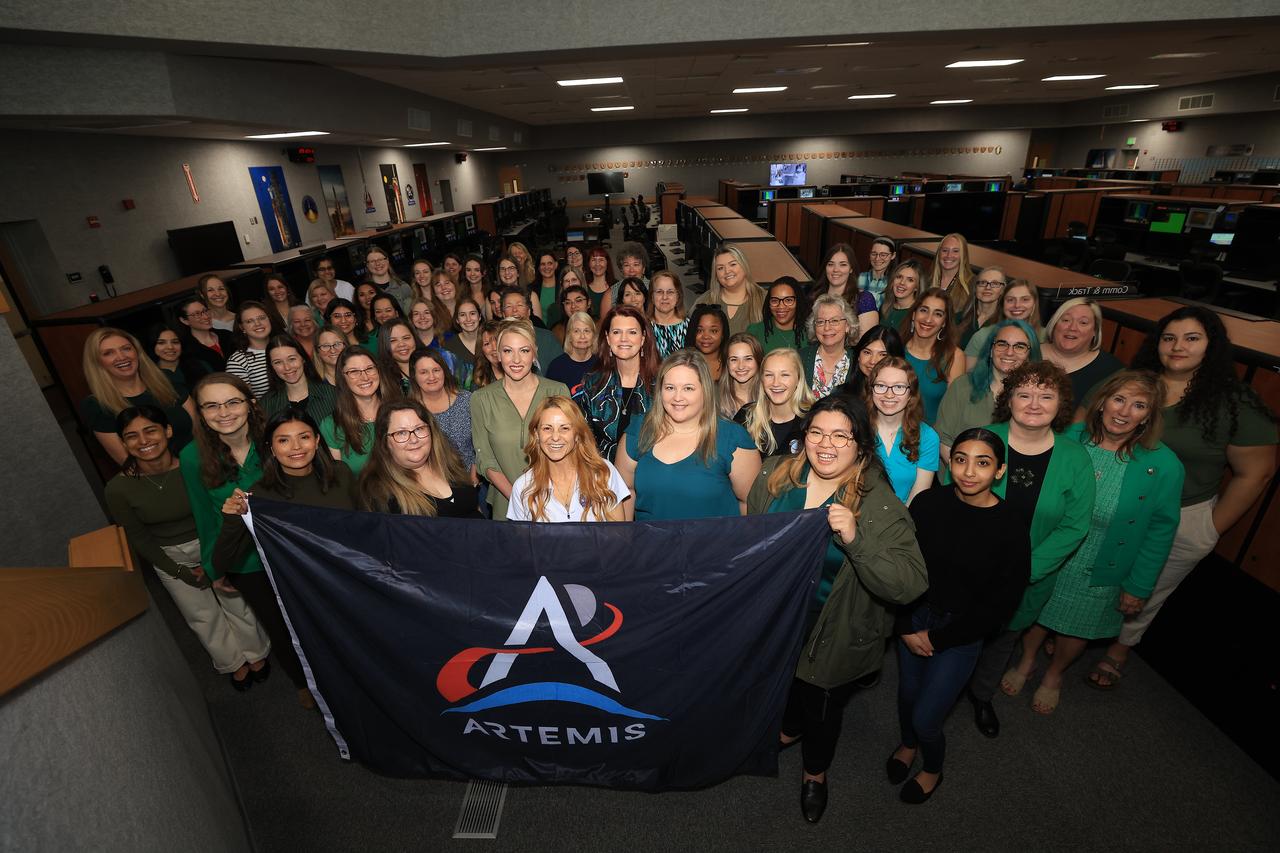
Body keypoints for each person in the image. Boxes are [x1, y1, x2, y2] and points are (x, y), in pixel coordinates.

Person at [746, 395, 927, 822]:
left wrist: (856, 540)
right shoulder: (776, 475)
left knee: (821, 707)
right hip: (777, 618)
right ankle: (788, 729)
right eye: (817, 432)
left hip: (836, 628)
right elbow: (750, 535)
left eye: (840, 435)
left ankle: (815, 774)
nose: (826, 444)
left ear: (861, 446)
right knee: (784, 684)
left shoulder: (878, 503)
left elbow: (909, 584)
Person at [1099, 306, 1278, 688]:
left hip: (1184, 515)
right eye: (1169, 338)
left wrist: (1209, 528)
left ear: (1211, 346)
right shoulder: (1135, 383)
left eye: (1191, 338)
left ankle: (1119, 651)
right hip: (1115, 503)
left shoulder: (1233, 403)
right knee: (1104, 574)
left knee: (1150, 589)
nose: (1178, 346)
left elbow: (1256, 472)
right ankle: (1078, 631)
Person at [1006, 371, 1183, 714]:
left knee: (1078, 623)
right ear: (1101, 402)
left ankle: (1054, 674)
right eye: (1118, 399)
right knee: (1037, 611)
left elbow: (1161, 531)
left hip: (1104, 559)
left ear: (1149, 415)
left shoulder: (1163, 465)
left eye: (1139, 405)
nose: (1125, 411)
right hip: (1052, 548)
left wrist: (1139, 585)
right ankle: (1026, 660)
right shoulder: (1065, 438)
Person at [890, 428, 1031, 803]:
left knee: (927, 716)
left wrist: (939, 639)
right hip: (915, 617)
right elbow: (905, 568)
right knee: (907, 696)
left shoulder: (1011, 524)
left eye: (983, 463)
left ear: (999, 471)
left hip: (960, 633)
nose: (969, 471)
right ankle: (907, 745)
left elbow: (1002, 602)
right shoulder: (927, 504)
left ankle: (932, 767)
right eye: (960, 459)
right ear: (950, 464)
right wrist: (904, 624)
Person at [962, 360, 1094, 739]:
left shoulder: (1074, 458)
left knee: (1003, 641)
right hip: (971, 569)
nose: (1034, 403)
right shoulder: (982, 439)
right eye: (1024, 393)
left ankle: (982, 696)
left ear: (1060, 404)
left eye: (1046, 395)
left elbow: (1074, 526)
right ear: (1010, 399)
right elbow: (953, 500)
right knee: (961, 634)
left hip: (1030, 577)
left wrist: (1024, 570)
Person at [105, 405, 270, 691]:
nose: (143, 441)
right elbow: (138, 537)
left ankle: (256, 654)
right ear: (123, 443)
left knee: (236, 601)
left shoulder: (196, 464)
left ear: (167, 431)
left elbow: (216, 511)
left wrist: (214, 560)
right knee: (202, 616)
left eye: (151, 430)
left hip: (214, 541)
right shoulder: (118, 489)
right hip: (169, 556)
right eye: (132, 436)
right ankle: (232, 663)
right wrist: (177, 570)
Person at [180, 374, 315, 707]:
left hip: (291, 552)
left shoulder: (276, 439)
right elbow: (205, 518)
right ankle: (303, 683)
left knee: (311, 617)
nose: (223, 412)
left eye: (232, 402)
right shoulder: (191, 457)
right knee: (278, 625)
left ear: (250, 403)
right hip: (246, 561)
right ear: (200, 412)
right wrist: (216, 568)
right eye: (211, 405)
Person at [213, 408, 357, 707]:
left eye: (304, 437)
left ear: (317, 440)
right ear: (271, 448)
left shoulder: (341, 474)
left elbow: (367, 525)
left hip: (348, 584)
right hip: (304, 596)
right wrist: (231, 519)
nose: (296, 448)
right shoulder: (259, 497)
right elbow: (223, 561)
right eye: (284, 440)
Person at [615, 349, 761, 519]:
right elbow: (624, 493)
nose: (678, 397)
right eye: (670, 387)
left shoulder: (732, 438)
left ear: (705, 391)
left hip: (714, 544)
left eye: (688, 388)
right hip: (651, 544)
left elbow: (749, 503)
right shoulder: (638, 432)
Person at [470, 319, 571, 519]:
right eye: (508, 351)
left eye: (524, 351)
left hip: (557, 501)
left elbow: (571, 447)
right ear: (498, 355)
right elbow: (485, 459)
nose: (516, 360)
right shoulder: (481, 399)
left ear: (534, 353)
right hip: (506, 504)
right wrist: (519, 500)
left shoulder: (557, 391)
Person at [81, 327, 197, 464]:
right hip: (163, 478)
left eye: (126, 348)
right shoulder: (98, 406)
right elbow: (129, 463)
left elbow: (200, 430)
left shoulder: (167, 380)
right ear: (97, 362)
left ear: (137, 352)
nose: (121, 357)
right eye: (108, 353)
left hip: (204, 464)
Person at [507, 396, 633, 522]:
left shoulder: (602, 472)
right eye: (547, 428)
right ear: (536, 434)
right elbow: (521, 541)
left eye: (564, 428)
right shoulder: (523, 487)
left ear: (577, 434)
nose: (555, 437)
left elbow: (618, 536)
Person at [936, 319, 1040, 459]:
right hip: (961, 474)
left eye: (1019, 346)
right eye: (1002, 344)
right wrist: (970, 473)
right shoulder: (963, 386)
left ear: (1030, 355)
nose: (1009, 352)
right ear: (991, 350)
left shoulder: (1038, 396)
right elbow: (944, 439)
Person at [357, 399, 480, 517]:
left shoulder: (451, 465)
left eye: (419, 429)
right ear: (384, 442)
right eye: (401, 433)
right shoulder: (380, 492)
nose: (414, 439)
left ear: (432, 432)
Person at [571, 305, 657, 461]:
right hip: (603, 474)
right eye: (617, 332)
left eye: (632, 332)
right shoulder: (594, 383)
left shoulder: (661, 384)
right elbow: (582, 437)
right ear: (608, 338)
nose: (624, 339)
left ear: (643, 338)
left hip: (649, 473)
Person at [868, 356, 939, 504]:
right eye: (881, 385)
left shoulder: (927, 437)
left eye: (899, 387)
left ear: (911, 394)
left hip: (903, 520)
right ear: (871, 389)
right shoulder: (855, 429)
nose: (889, 394)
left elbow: (918, 497)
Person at [1041, 297, 1125, 408]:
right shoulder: (1026, 353)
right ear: (1055, 324)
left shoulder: (1112, 371)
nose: (1072, 328)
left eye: (1083, 323)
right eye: (1066, 320)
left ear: (1095, 331)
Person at [409, 348, 477, 484]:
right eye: (423, 372)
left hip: (472, 479)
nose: (431, 377)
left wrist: (474, 476)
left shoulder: (467, 400)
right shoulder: (410, 410)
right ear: (414, 376)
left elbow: (481, 443)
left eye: (436, 370)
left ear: (444, 372)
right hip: (430, 484)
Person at [901, 288, 965, 425]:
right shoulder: (896, 346)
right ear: (913, 314)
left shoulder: (954, 356)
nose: (928, 319)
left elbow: (952, 411)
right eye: (924, 310)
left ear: (944, 322)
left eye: (938, 314)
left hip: (930, 437)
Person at [320, 347, 386, 475]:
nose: (365, 377)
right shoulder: (331, 426)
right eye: (354, 372)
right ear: (343, 378)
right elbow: (340, 481)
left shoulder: (399, 413)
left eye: (369, 368)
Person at [744, 347, 813, 457]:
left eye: (785, 375)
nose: (776, 383)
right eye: (769, 375)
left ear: (798, 379)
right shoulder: (746, 416)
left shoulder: (813, 419)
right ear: (761, 379)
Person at [964, 279, 1046, 370]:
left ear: (1034, 304)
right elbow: (968, 377)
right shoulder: (982, 336)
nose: (1017, 305)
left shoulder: (1046, 337)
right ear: (1003, 305)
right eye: (1010, 300)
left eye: (1025, 300)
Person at [260, 334, 337, 423]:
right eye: (278, 362)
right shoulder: (266, 404)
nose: (287, 367)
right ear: (271, 367)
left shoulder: (333, 395)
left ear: (303, 358)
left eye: (292, 359)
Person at [695, 245, 764, 336]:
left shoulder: (765, 299)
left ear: (744, 266)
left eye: (733, 264)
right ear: (716, 275)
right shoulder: (705, 301)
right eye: (720, 268)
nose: (727, 271)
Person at [810, 243, 878, 332]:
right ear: (825, 267)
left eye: (843, 264)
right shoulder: (814, 296)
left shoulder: (863, 299)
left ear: (851, 269)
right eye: (830, 264)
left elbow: (867, 342)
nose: (835, 270)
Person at [801, 294, 859, 400]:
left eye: (834, 321)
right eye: (820, 321)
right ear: (814, 326)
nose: (827, 327)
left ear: (847, 325)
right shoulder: (800, 358)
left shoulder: (858, 362)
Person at [834, 325, 905, 401]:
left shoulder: (902, 396)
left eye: (883, 355)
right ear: (858, 356)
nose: (872, 361)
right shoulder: (842, 394)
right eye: (867, 352)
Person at [224, 301, 275, 399]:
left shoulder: (285, 345)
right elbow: (243, 400)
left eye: (262, 318)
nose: (258, 323)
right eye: (249, 321)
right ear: (242, 327)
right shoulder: (237, 361)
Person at [746, 277, 810, 354]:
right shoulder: (755, 331)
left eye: (788, 300)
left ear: (798, 302)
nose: (781, 306)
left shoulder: (810, 332)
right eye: (774, 301)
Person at [177, 296, 235, 379]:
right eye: (197, 314)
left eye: (205, 311)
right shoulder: (187, 351)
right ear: (184, 320)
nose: (205, 317)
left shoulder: (227, 335)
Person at [501, 286, 564, 363]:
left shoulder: (547, 338)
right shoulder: (498, 340)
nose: (514, 310)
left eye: (520, 305)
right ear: (503, 314)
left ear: (529, 311)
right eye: (509, 306)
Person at [929, 233, 975, 329]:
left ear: (964, 255)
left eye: (955, 251)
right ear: (939, 253)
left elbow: (967, 323)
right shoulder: (928, 279)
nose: (949, 255)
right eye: (945, 250)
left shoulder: (971, 284)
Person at [547, 311, 599, 390]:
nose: (582, 336)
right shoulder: (556, 367)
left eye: (587, 331)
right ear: (569, 336)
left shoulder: (602, 365)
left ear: (593, 335)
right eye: (576, 331)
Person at [958, 266, 1007, 349]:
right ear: (975, 288)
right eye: (983, 283)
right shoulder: (957, 318)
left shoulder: (1005, 325)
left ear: (1002, 290)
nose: (987, 287)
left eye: (995, 284)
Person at [718, 332, 762, 421]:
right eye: (734, 359)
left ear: (758, 360)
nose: (741, 366)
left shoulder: (769, 395)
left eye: (748, 358)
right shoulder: (714, 397)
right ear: (727, 363)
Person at [649, 270, 690, 359]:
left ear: (678, 296)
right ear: (652, 297)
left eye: (670, 292)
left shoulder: (689, 326)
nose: (665, 297)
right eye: (659, 292)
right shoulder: (643, 326)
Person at [686, 304, 729, 381]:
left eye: (713, 331)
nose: (706, 336)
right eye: (699, 330)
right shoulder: (683, 363)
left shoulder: (732, 363)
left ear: (723, 334)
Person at [880, 260, 924, 333]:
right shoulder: (885, 306)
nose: (902, 282)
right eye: (899, 277)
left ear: (917, 287)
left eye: (910, 280)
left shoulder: (918, 313)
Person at [444, 297, 484, 377]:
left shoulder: (490, 341)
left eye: (472, 313)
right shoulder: (449, 347)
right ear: (457, 320)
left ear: (479, 316)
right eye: (462, 315)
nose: (468, 319)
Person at [366, 245, 413, 312]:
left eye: (380, 259)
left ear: (387, 260)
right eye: (372, 261)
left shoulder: (403, 287)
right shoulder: (364, 292)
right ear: (367, 265)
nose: (377, 263)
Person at [857, 237, 897, 309]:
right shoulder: (859, 278)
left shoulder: (895, 283)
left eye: (883, 255)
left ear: (893, 255)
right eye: (874, 254)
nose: (877, 258)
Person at [146, 322, 186, 387]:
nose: (170, 347)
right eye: (161, 343)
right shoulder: (149, 376)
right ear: (152, 346)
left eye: (175, 342)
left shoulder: (199, 365)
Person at [470, 318, 505, 391]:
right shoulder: (479, 381)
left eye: (497, 340)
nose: (494, 348)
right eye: (487, 344)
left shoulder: (521, 372)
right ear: (481, 350)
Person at [585, 246, 615, 318]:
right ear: (589, 264)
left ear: (607, 263)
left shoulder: (617, 286)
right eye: (593, 260)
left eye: (601, 260)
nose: (597, 264)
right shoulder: (583, 287)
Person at [535, 251, 561, 323]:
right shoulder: (532, 289)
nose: (546, 267)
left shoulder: (564, 285)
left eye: (550, 263)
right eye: (543, 264)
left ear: (556, 265)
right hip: (540, 332)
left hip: (561, 331)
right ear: (539, 267)